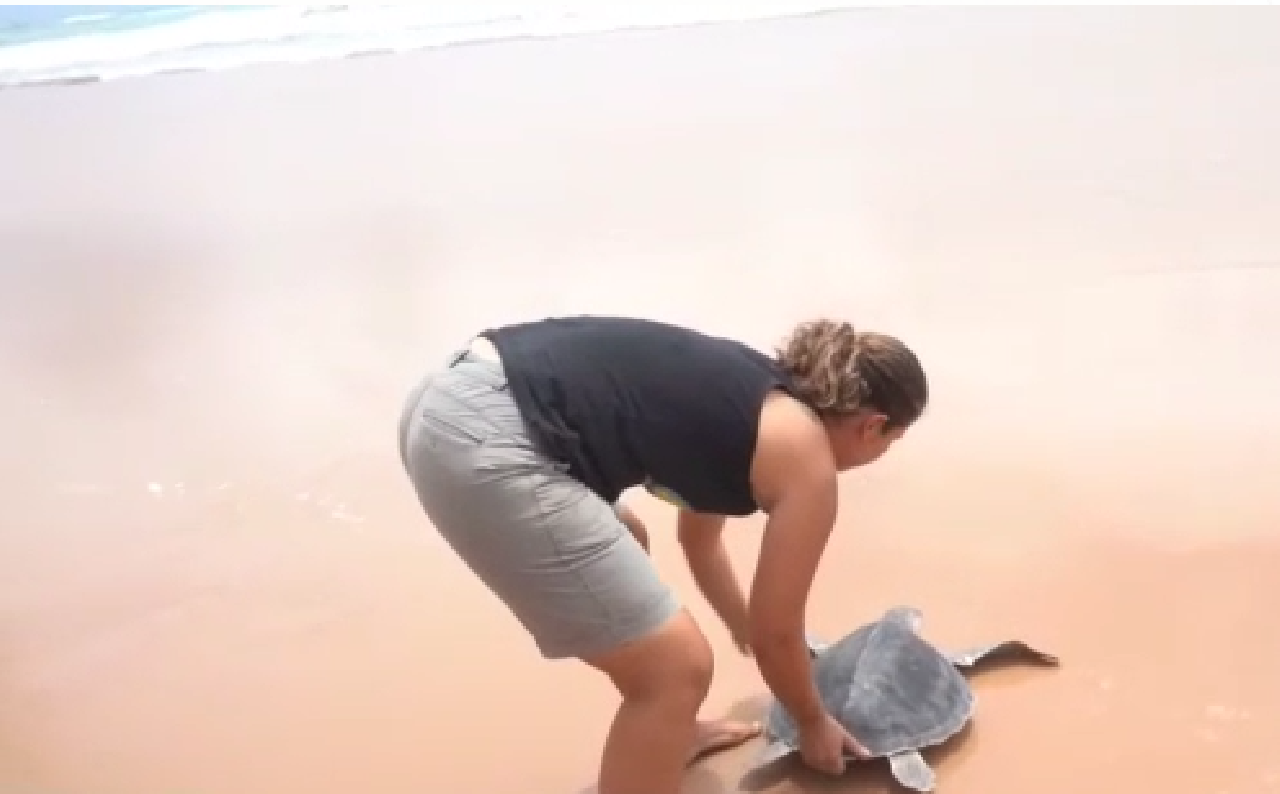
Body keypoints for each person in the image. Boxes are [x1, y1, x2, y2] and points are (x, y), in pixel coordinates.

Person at [397, 315, 927, 794]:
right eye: (891, 441)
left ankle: (667, 732)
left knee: (627, 542)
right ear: (872, 426)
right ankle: (660, 713)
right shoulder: (805, 457)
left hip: (453, 395)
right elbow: (779, 635)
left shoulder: (754, 407)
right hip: (488, 435)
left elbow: (699, 542)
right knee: (676, 668)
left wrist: (740, 623)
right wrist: (812, 722)